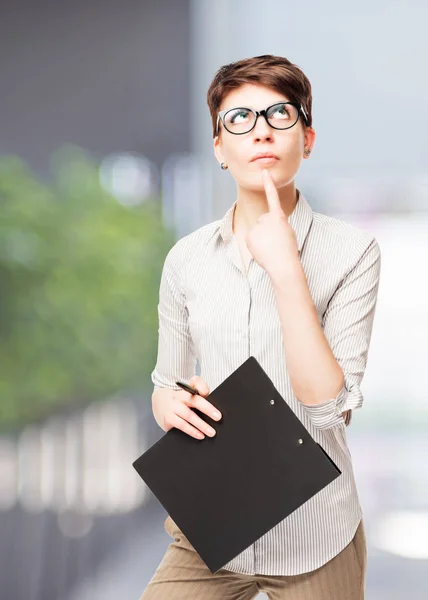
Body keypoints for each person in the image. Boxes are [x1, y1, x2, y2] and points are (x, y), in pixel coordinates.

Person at [140, 54, 381, 600]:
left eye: (280, 115)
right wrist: (169, 402)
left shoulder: (353, 251)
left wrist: (287, 269)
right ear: (219, 148)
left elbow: (327, 406)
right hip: (210, 525)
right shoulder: (186, 259)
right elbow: (165, 383)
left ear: (308, 138)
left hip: (316, 531)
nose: (262, 131)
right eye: (239, 119)